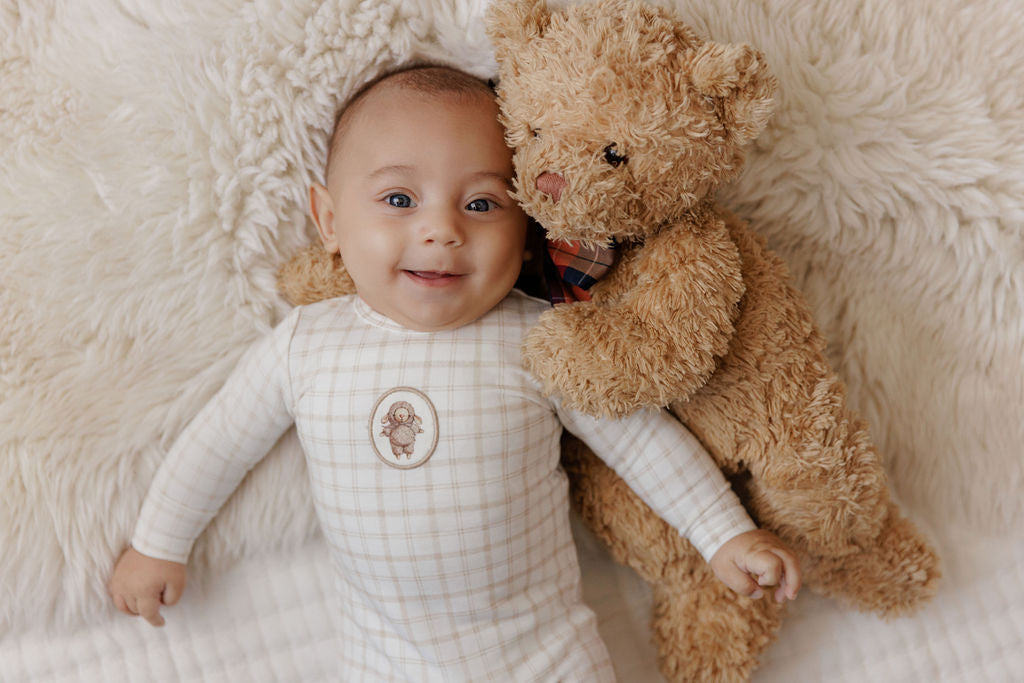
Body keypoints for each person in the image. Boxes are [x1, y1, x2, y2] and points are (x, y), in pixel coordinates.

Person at [108, 64, 801, 681]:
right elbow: (218, 443)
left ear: (526, 230)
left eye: (481, 204)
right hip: (386, 659)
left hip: (544, 656)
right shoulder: (305, 346)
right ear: (330, 221)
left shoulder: (538, 338)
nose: (442, 230)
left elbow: (641, 441)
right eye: (399, 200)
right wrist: (159, 543)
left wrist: (722, 532)